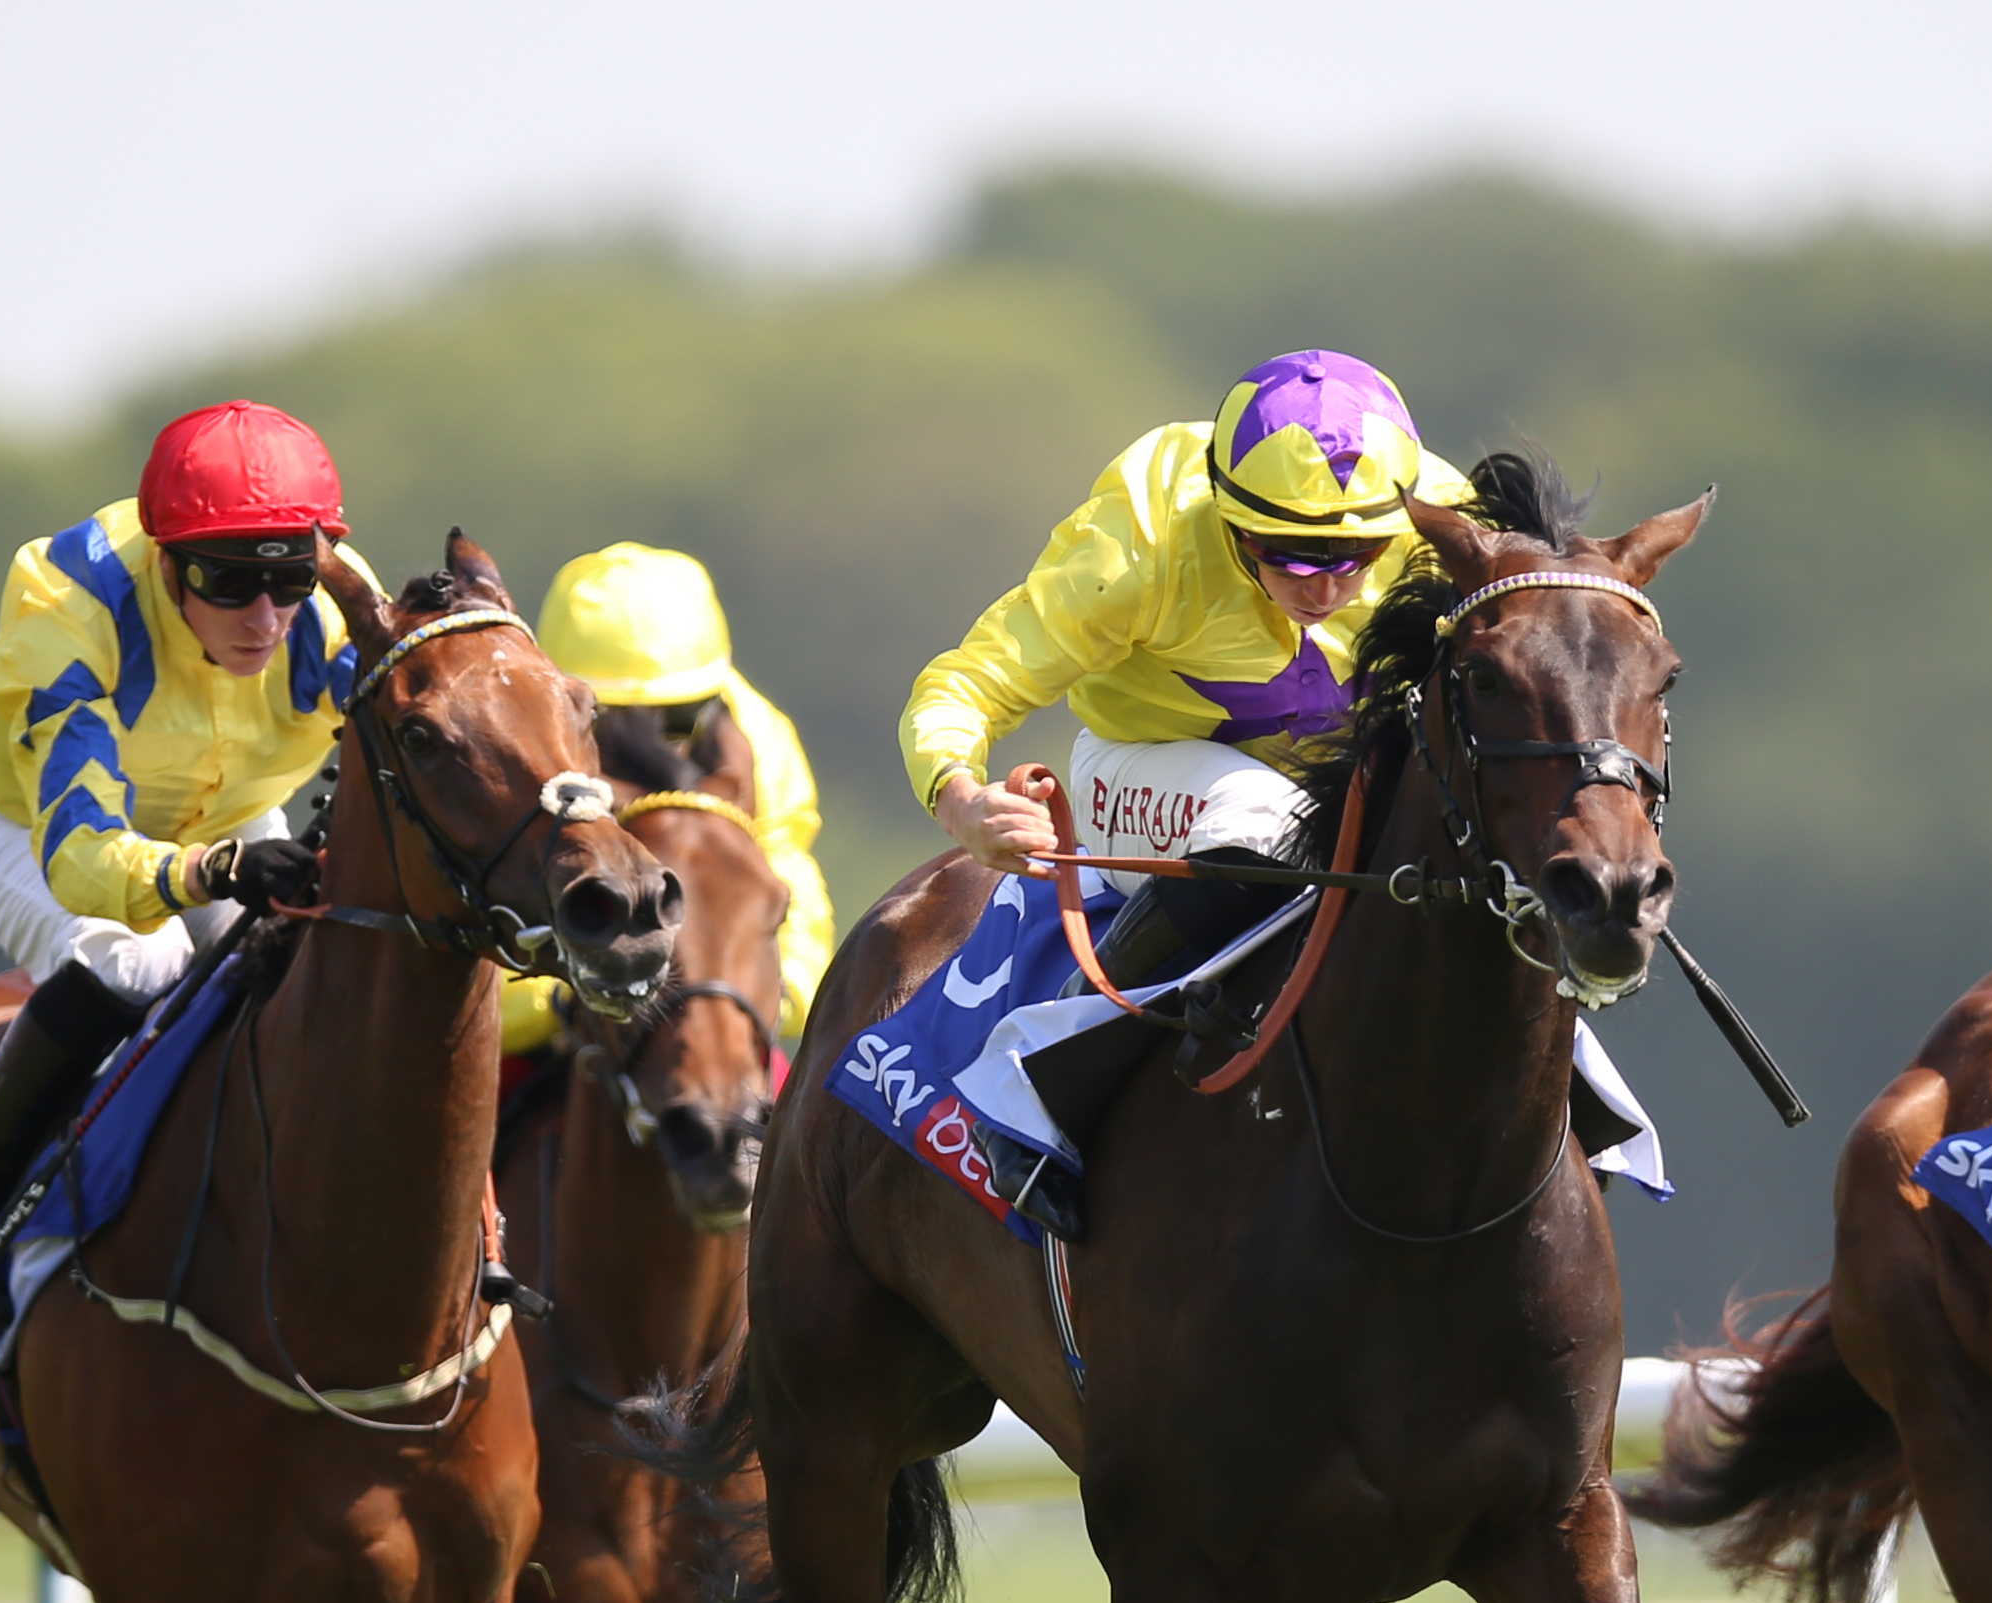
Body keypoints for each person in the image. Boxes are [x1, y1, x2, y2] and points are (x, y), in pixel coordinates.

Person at [899, 351, 1476, 1214]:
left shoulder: (1445, 528)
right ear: (1233, 522)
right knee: (1270, 830)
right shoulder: (1141, 543)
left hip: (1346, 775)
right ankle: (1039, 1071)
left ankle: (1583, 1109)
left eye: (1356, 556)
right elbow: (966, 684)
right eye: (1291, 557)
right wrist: (959, 794)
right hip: (1144, 764)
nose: (1325, 588)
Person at [0, 401, 374, 1319]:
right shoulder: (67, 601)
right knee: (144, 962)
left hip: (233, 824)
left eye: (286, 580)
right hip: (34, 835)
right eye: (228, 585)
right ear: (166, 562)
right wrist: (214, 873)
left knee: (317, 981)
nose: (265, 618)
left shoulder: (331, 604)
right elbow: (82, 857)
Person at [499, 542, 837, 1060]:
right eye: (607, 723)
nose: (650, 747)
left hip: (714, 1008)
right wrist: (558, 1000)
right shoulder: (507, 742)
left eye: (676, 720)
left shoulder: (758, 735)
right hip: (557, 1005)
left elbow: (785, 869)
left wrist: (781, 989)